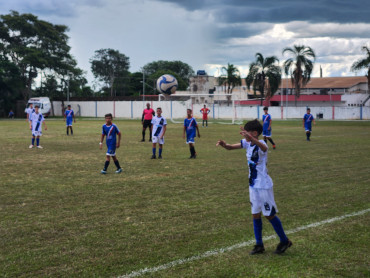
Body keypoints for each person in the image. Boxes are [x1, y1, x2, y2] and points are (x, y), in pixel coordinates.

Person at [216, 119, 292, 255]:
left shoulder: (261, 143)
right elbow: (230, 147)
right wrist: (224, 145)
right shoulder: (247, 143)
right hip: (253, 185)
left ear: (255, 133)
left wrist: (252, 138)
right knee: (255, 214)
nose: (244, 135)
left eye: (246, 133)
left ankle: (284, 240)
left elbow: (264, 148)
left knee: (269, 215)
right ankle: (259, 245)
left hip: (263, 186)